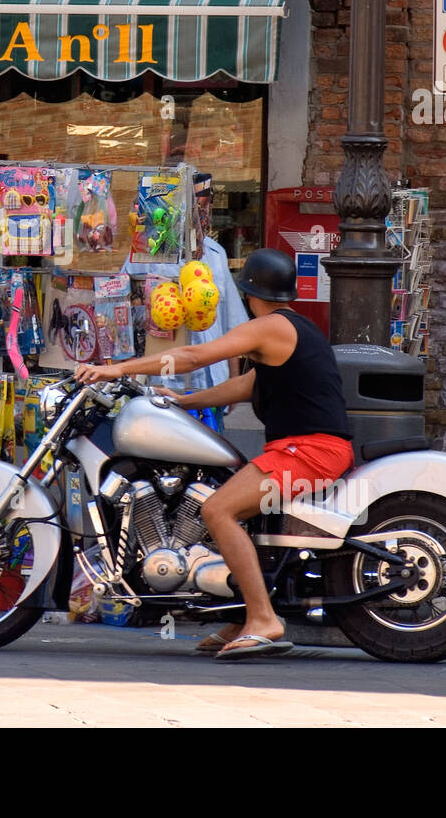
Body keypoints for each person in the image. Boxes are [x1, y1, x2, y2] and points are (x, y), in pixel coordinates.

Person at [75, 247, 354, 660]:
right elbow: (245, 387)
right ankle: (244, 617)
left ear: (249, 294)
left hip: (310, 451)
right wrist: (184, 402)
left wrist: (120, 368)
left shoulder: (270, 327)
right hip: (305, 448)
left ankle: (264, 619)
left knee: (218, 511)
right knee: (226, 501)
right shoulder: (292, 328)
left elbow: (194, 355)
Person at [124, 172, 246, 402]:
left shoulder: (215, 253)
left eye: (205, 205)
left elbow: (231, 322)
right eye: (195, 205)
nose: (202, 212)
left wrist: (233, 380)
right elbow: (123, 309)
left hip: (212, 383)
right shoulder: (144, 254)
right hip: (161, 381)